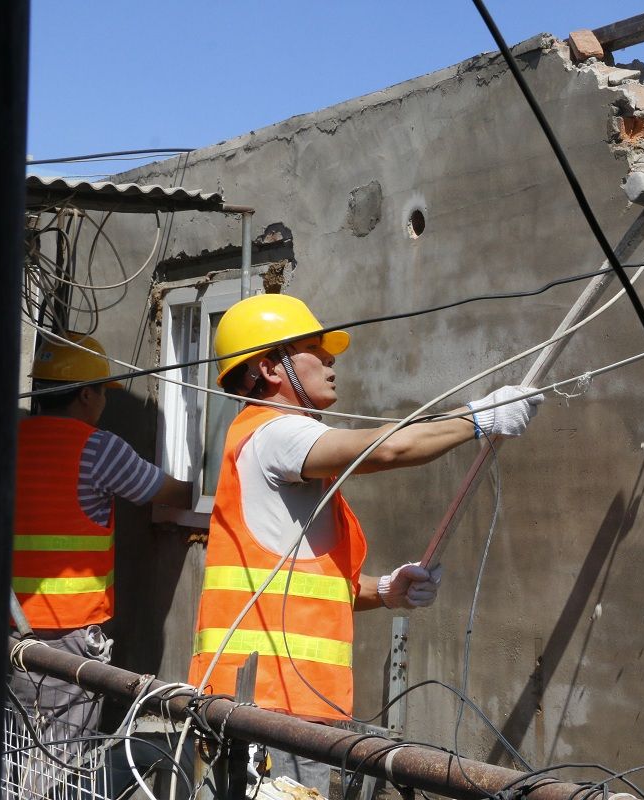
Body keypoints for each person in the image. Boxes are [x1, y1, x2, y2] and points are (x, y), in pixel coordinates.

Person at [186, 294, 542, 793]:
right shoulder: (276, 433)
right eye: (315, 349)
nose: (332, 362)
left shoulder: (267, 446)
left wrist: (386, 590)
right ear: (269, 367)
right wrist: (477, 419)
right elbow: (389, 448)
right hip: (271, 710)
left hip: (276, 708)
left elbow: (305, 592)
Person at [9, 332, 193, 796]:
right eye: (102, 394)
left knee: (14, 746)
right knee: (59, 760)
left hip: (12, 625)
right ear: (85, 393)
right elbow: (166, 491)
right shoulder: (96, 447)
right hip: (67, 637)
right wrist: (204, 486)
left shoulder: (10, 440)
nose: (104, 405)